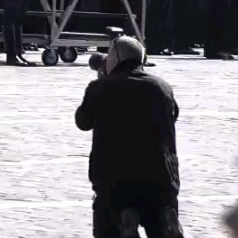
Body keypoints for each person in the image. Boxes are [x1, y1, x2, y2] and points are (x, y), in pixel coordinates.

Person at [75, 35, 183, 238]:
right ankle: (165, 219)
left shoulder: (101, 89)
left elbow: (82, 121)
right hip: (160, 180)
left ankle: (125, 222)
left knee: (108, 225)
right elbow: (174, 115)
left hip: (114, 181)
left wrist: (102, 82)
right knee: (160, 221)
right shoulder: (162, 87)